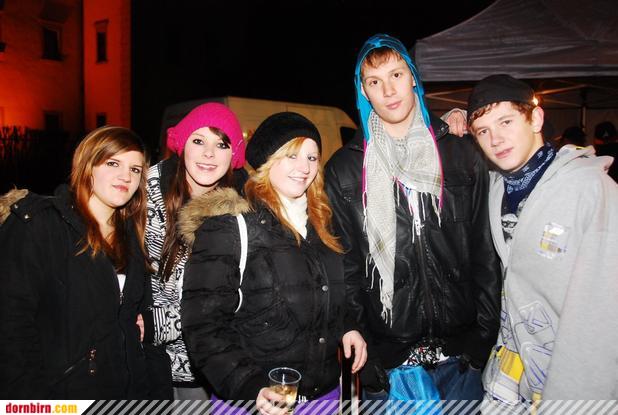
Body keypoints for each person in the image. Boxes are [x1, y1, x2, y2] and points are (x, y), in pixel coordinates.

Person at [324, 33, 501, 402]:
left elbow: (484, 251)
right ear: (363, 91)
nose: (389, 90)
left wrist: (481, 340)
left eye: (396, 75)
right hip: (389, 365)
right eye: (375, 82)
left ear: (413, 78)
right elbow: (345, 268)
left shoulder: (460, 153)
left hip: (461, 358)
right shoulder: (344, 169)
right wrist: (368, 354)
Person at [180, 112, 367, 414]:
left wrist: (347, 328)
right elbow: (203, 326)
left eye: (312, 157)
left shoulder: (322, 223)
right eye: (292, 155)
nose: (304, 168)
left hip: (324, 399)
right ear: (268, 160)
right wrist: (250, 387)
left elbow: (328, 295)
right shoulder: (231, 227)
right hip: (255, 402)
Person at [466, 74, 618, 405]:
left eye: (506, 121)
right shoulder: (498, 189)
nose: (496, 139)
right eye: (483, 131)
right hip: (514, 378)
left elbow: (605, 314)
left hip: (574, 382)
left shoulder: (590, 190)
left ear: (535, 118)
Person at [0, 126, 150, 398]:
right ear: (88, 166)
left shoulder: (133, 237)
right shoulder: (40, 226)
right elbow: (11, 327)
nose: (126, 176)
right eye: (113, 163)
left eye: (135, 169)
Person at [143, 102, 246, 399]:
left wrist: (158, 324)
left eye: (221, 144)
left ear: (234, 155)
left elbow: (234, 298)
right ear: (182, 145)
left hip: (209, 366)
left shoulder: (246, 211)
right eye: (198, 141)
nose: (209, 154)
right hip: (146, 360)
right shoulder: (143, 194)